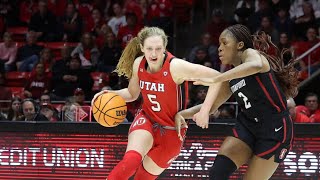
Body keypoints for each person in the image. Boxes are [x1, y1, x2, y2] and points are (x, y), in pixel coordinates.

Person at [92, 26, 221, 180]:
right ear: (142, 48)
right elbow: (132, 94)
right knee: (131, 161)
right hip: (147, 119)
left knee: (142, 178)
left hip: (172, 130)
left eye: (158, 49)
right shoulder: (138, 63)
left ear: (164, 47)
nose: (154, 54)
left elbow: (217, 77)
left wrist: (205, 110)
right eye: (149, 49)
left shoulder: (176, 66)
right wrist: (109, 94)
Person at [175, 24, 299, 179]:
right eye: (219, 44)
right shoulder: (230, 77)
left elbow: (256, 65)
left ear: (240, 45)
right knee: (217, 174)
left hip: (275, 129)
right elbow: (211, 106)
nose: (219, 48)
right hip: (248, 126)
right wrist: (181, 114)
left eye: (224, 43)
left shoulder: (252, 54)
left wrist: (216, 78)